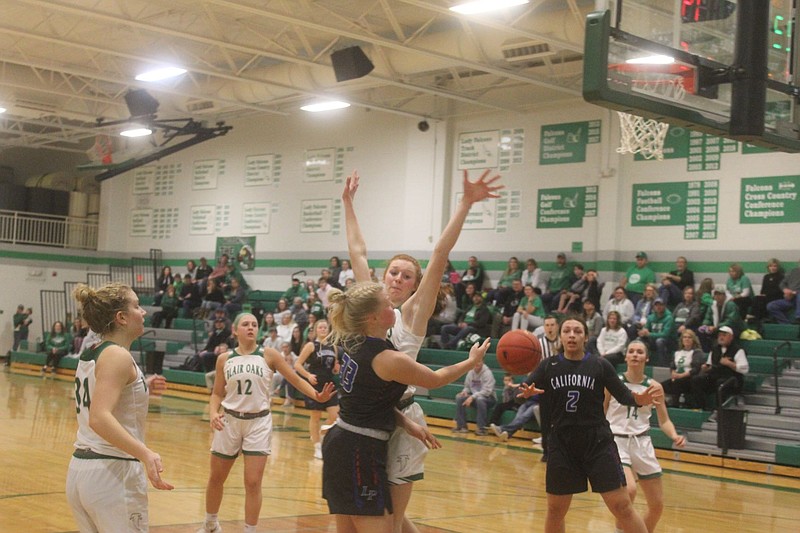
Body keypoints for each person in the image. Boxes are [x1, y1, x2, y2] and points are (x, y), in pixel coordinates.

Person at [343, 168, 501, 533]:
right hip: (369, 418)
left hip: (403, 419)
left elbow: (440, 252)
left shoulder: (412, 314)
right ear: (383, 277)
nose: (397, 279)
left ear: (415, 285)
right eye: (393, 273)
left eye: (406, 276)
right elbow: (357, 250)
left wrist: (464, 204)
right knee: (376, 514)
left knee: (391, 521)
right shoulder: (369, 307)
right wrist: (348, 203)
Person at [321, 282, 491, 533]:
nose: (394, 307)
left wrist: (407, 423)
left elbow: (368, 401)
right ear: (374, 317)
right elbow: (436, 380)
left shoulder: (355, 342)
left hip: (342, 443)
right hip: (359, 451)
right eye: (388, 305)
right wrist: (471, 361)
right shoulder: (388, 359)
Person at [516, 317, 661, 533]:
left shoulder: (600, 365)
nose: (572, 335)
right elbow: (521, 393)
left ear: (586, 337)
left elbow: (623, 395)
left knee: (622, 506)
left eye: (577, 331)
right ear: (560, 336)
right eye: (567, 331)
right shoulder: (548, 366)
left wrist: (639, 399)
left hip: (598, 444)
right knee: (555, 510)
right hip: (562, 444)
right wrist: (524, 394)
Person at [196, 313, 335, 533]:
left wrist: (316, 395)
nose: (251, 327)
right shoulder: (225, 359)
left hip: (258, 422)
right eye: (245, 324)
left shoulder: (269, 355)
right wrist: (214, 413)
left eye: (254, 324)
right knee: (216, 478)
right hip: (229, 420)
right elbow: (216, 394)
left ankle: (250, 530)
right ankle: (210, 523)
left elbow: (296, 379)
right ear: (235, 330)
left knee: (252, 482)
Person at [66, 283, 173, 532]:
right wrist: (145, 453)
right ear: (121, 317)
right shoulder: (118, 356)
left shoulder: (93, 350)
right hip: (112, 472)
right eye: (136, 306)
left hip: (82, 470)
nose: (143, 311)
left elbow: (101, 391)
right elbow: (99, 418)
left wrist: (139, 385)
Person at [605, 340, 687, 533]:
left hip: (642, 442)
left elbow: (664, 421)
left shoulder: (655, 386)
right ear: (625, 356)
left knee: (657, 506)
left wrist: (674, 436)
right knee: (630, 490)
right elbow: (601, 412)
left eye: (639, 352)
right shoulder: (612, 383)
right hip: (616, 441)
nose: (635, 354)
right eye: (631, 351)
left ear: (646, 358)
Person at [294, 319, 343, 459]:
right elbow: (297, 365)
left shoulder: (333, 347)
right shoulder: (311, 345)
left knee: (335, 416)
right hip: (315, 385)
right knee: (315, 416)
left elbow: (334, 367)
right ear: (315, 330)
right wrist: (308, 375)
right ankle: (316, 446)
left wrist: (336, 368)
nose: (323, 329)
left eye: (325, 327)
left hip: (329, 385)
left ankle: (321, 436)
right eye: (320, 327)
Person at [690, 326, 749, 411]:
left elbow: (744, 369)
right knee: (696, 380)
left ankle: (719, 411)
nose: (721, 337)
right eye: (720, 335)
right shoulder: (714, 349)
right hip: (715, 376)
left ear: (731, 337)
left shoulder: (738, 350)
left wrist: (729, 363)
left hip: (731, 379)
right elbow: (710, 365)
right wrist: (705, 368)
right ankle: (700, 407)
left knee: (721, 383)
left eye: (724, 335)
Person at [661, 330, 706, 407]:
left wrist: (681, 375)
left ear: (693, 340)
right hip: (677, 378)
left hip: (690, 380)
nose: (687, 339)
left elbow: (696, 369)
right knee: (660, 386)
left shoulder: (697, 352)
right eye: (684, 337)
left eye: (689, 337)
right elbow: (673, 365)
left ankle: (675, 405)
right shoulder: (677, 353)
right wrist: (673, 373)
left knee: (677, 383)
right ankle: (666, 405)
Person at [453, 360, 497, 435]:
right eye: (475, 362)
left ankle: (481, 428)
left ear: (482, 362)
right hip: (474, 397)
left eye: (479, 362)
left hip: (489, 398)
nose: (477, 364)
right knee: (459, 397)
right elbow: (467, 387)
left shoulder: (487, 373)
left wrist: (472, 397)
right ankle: (462, 426)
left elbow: (487, 391)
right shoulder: (470, 372)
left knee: (480, 399)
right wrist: (465, 391)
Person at [698, 285, 745, 352]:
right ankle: (707, 352)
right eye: (716, 294)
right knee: (701, 332)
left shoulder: (731, 305)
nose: (717, 296)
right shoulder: (712, 306)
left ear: (724, 295)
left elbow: (731, 321)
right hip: (718, 328)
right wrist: (705, 325)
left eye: (720, 294)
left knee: (724, 331)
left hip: (733, 328)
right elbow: (708, 318)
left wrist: (716, 327)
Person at [637, 297, 674, 367]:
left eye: (660, 305)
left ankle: (663, 364)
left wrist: (649, 334)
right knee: (639, 340)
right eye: (656, 305)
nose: (658, 307)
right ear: (653, 307)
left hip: (668, 341)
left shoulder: (669, 318)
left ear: (664, 306)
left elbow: (665, 334)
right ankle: (641, 363)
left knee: (659, 341)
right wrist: (643, 332)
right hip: (653, 339)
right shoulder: (650, 317)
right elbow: (646, 328)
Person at [767, 259, 800, 324]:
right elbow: (782, 284)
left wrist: (795, 292)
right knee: (771, 306)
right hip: (790, 299)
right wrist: (785, 290)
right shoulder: (793, 271)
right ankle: (786, 324)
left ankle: (798, 318)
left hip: (797, 296)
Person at [753, 258, 785, 322]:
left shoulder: (781, 277)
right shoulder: (766, 277)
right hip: (766, 296)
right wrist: (762, 294)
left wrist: (767, 294)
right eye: (771, 266)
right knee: (757, 298)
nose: (772, 268)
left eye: (774, 266)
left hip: (777, 297)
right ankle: (756, 318)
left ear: (777, 267)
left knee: (762, 300)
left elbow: (779, 290)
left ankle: (762, 318)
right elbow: (763, 289)